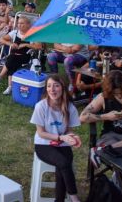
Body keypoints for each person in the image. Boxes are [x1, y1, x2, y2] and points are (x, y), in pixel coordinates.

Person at [30, 74, 83, 202]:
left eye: (56, 86)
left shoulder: (70, 107)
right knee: (64, 163)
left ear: (63, 88)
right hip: (44, 144)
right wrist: (61, 137)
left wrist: (72, 138)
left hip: (62, 143)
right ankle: (74, 198)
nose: (52, 90)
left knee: (63, 165)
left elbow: (69, 130)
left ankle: (59, 200)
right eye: (49, 86)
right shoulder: (41, 106)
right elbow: (41, 133)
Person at [0, 15, 42, 94]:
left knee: (11, 58)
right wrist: (10, 44)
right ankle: (10, 87)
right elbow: (1, 39)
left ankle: (0, 76)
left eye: (22, 23)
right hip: (14, 56)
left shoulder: (32, 34)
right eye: (18, 23)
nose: (19, 25)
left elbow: (39, 46)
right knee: (12, 61)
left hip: (26, 56)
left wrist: (26, 45)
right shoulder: (15, 32)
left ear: (28, 25)